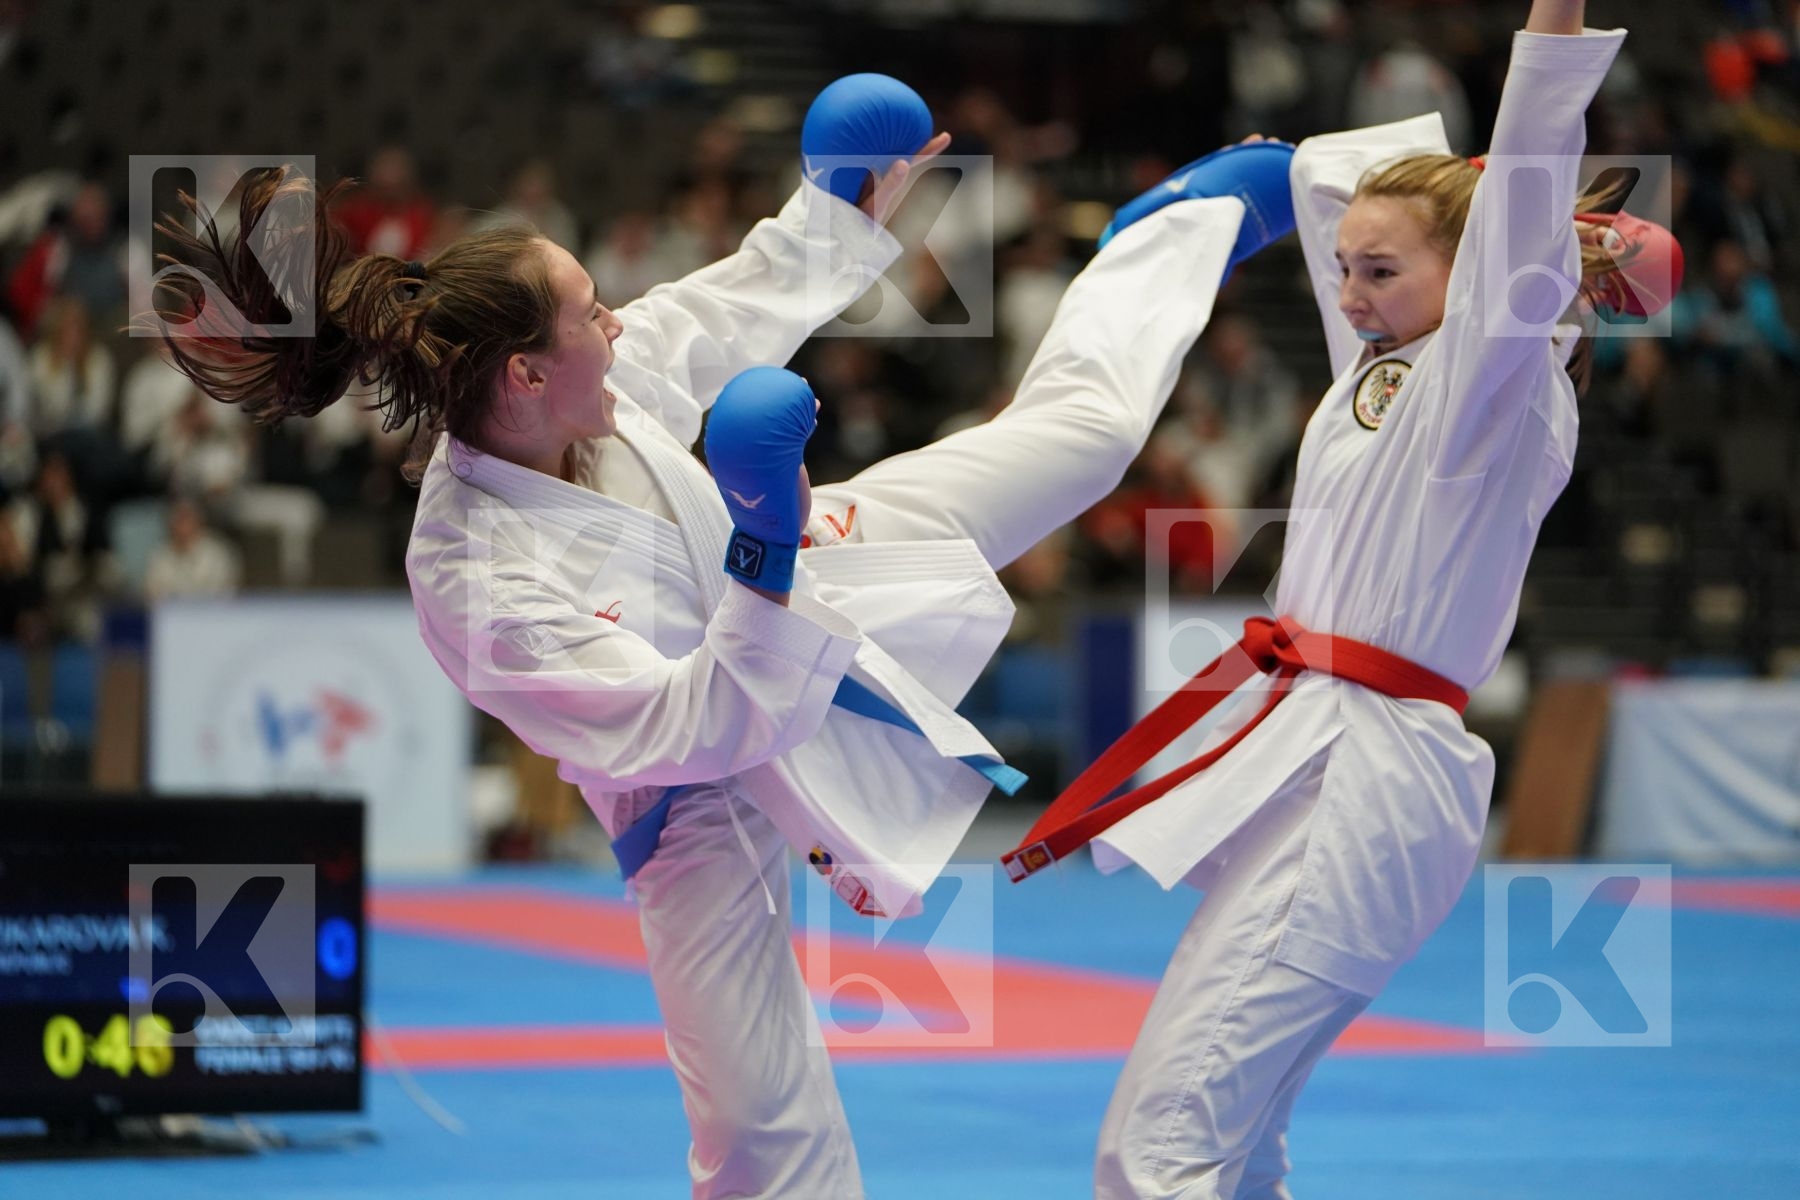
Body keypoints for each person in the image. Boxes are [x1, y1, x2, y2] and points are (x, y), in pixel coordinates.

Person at [149, 71, 1284, 1196]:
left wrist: (831, 207)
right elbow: (692, 725)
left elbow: (720, 311)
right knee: (762, 1143)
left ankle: (1183, 221)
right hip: (682, 792)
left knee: (1081, 439)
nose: (617, 317)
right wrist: (759, 544)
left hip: (792, 565)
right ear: (528, 371)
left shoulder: (587, 378)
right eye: (591, 307)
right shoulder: (472, 578)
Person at [1000, 4, 1657, 1197]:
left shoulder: (1486, 388)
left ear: (1479, 277)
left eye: (1379, 271)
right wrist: (1277, 176)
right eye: (1343, 266)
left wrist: (1550, 25)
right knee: (1232, 1145)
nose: (1348, 292)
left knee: (1162, 1146)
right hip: (1323, 748)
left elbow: (1513, 198)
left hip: (1369, 778)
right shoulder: (1387, 367)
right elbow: (1391, 211)